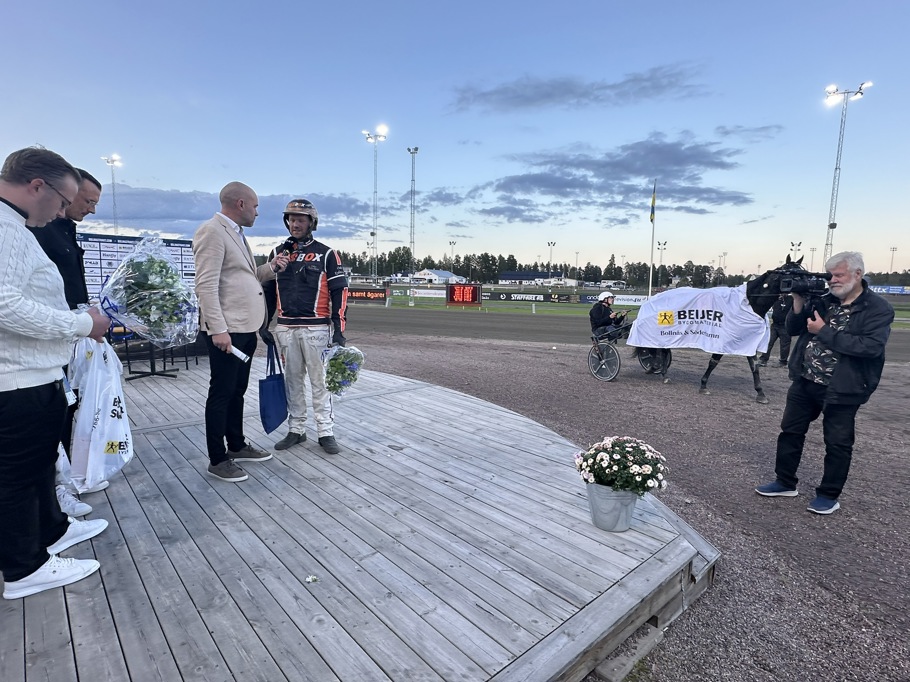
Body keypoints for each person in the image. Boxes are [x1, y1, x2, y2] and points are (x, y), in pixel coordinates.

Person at [0, 147, 110, 599]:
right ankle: (24, 567)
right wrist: (81, 324)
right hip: (16, 378)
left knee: (40, 464)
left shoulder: (15, 225)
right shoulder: (5, 228)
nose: (64, 211)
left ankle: (52, 530)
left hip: (35, 372)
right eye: (63, 201)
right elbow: (5, 304)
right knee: (18, 476)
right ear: (36, 186)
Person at [755, 251, 894, 515]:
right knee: (790, 432)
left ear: (857, 274)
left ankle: (828, 495)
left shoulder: (878, 308)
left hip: (844, 387)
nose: (832, 280)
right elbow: (794, 329)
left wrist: (824, 332)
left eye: (838, 275)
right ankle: (785, 482)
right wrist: (798, 301)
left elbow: (869, 347)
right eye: (830, 276)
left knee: (837, 443)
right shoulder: (824, 300)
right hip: (805, 380)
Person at [193, 182, 289, 482]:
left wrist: (271, 268)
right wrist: (218, 329)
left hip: (245, 329)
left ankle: (235, 445)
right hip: (227, 331)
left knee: (237, 391)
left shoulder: (236, 234)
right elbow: (205, 285)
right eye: (256, 206)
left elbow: (245, 277)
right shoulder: (212, 231)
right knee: (221, 393)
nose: (257, 213)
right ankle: (218, 458)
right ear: (241, 204)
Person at [28, 169, 105, 516]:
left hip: (73, 334)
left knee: (69, 407)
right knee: (54, 413)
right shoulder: (37, 229)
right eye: (87, 200)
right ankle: (56, 495)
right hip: (50, 337)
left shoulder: (66, 230)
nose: (91, 209)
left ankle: (67, 476)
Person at [263, 199, 348, 454]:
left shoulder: (327, 253)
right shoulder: (277, 253)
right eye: (291, 219)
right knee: (292, 381)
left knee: (320, 382)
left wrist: (339, 329)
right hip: (286, 329)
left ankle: (326, 431)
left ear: (312, 222)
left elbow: (340, 291)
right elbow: (267, 292)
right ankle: (296, 429)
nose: (295, 224)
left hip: (317, 329)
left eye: (300, 219)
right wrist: (263, 323)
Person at [757, 293, 793, 367]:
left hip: (785, 326)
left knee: (785, 345)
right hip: (775, 324)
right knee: (768, 342)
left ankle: (783, 361)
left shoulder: (791, 299)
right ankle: (763, 359)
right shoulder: (776, 299)